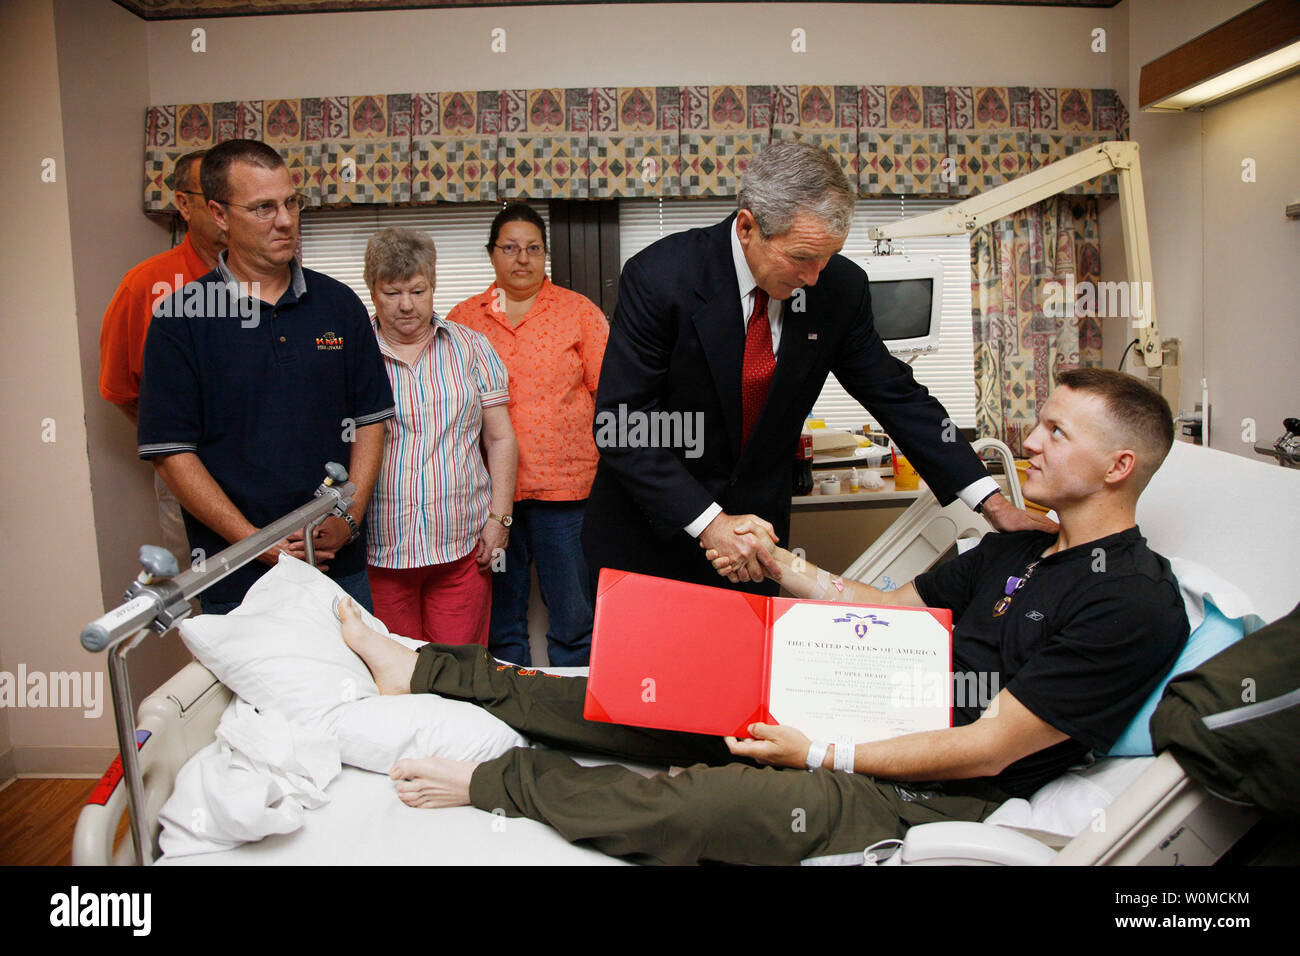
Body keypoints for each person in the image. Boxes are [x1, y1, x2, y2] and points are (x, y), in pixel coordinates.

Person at [336, 367, 1189, 866]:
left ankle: (493, 785)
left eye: (1054, 430)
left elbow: (995, 744)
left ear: (1118, 465)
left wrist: (815, 753)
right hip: (855, 701)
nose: (1028, 441)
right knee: (625, 690)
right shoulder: (1013, 545)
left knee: (692, 810)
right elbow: (888, 615)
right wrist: (785, 567)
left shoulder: (1132, 600)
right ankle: (422, 668)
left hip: (925, 786)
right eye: (1036, 423)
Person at [583, 140, 1054, 598]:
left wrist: (992, 503)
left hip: (756, 546)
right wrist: (711, 523)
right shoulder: (662, 277)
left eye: (827, 258)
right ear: (747, 227)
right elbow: (623, 425)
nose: (814, 277)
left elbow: (895, 395)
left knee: (746, 672)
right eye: (802, 258)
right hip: (650, 533)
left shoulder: (839, 288)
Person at [137, 139, 394, 614]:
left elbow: (370, 421)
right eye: (263, 208)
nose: (285, 220)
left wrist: (350, 519)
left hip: (340, 563)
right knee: (252, 690)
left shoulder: (338, 304)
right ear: (218, 214)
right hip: (239, 575)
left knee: (354, 683)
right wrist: (260, 545)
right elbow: (172, 455)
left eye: (290, 203)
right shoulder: (180, 319)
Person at [447, 204, 608, 666]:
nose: (523, 259)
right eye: (511, 248)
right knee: (501, 619)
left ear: (546, 255)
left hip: (568, 493)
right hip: (493, 499)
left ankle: (575, 719)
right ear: (492, 254)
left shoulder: (578, 313)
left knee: (575, 615)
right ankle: (509, 714)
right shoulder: (464, 319)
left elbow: (610, 399)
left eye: (533, 249)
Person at [364, 227, 518, 646]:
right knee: (395, 677)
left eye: (418, 290)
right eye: (392, 293)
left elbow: (500, 439)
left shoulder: (472, 348)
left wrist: (499, 518)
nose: (407, 306)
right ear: (373, 292)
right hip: (381, 549)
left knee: (458, 673)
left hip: (462, 547)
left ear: (433, 285)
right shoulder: (353, 353)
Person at [99, 149, 226, 567]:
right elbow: (121, 388)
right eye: (212, 196)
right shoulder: (146, 285)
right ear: (184, 204)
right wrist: (183, 449)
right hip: (190, 478)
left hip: (274, 474)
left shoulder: (275, 280)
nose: (224, 208)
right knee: (205, 594)